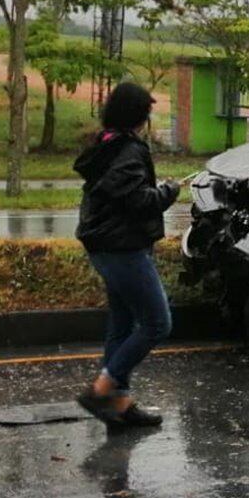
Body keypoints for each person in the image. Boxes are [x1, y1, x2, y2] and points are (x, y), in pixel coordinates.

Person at [74, 81, 180, 428]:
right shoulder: (129, 151)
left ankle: (118, 403)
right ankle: (102, 388)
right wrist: (168, 191)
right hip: (122, 248)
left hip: (105, 245)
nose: (148, 118)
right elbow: (138, 202)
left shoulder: (105, 143)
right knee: (157, 323)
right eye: (147, 112)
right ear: (137, 115)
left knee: (122, 324)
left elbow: (119, 193)